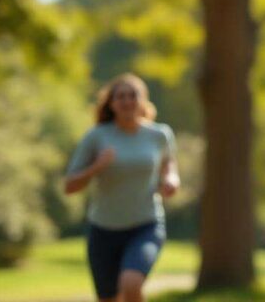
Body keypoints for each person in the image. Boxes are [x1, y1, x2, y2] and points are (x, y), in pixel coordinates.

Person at [64, 73, 179, 302]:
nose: (127, 101)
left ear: (143, 100)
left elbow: (169, 163)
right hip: (103, 229)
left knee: (131, 283)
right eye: (121, 96)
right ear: (112, 103)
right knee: (108, 298)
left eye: (133, 95)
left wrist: (171, 179)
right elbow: (69, 186)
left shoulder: (159, 135)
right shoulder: (96, 137)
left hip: (145, 224)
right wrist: (96, 167)